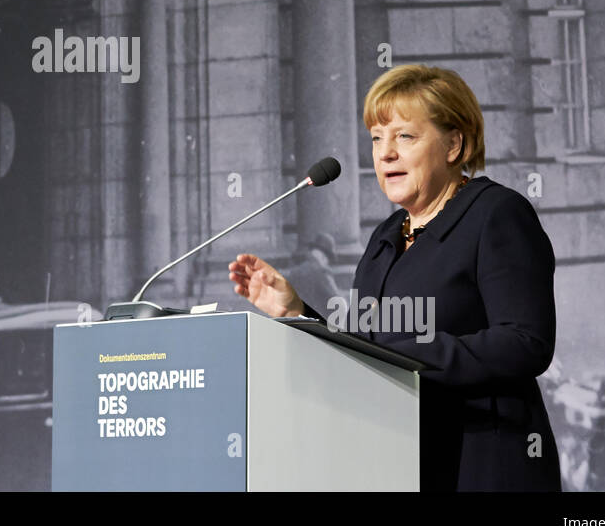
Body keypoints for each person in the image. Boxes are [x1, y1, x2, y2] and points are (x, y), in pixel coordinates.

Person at [228, 64, 562, 491]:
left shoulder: (495, 214)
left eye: (404, 136)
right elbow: (364, 353)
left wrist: (411, 356)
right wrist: (296, 312)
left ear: (454, 144)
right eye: (376, 139)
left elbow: (525, 342)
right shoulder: (385, 238)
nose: (385, 153)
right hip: (399, 465)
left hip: (481, 464)